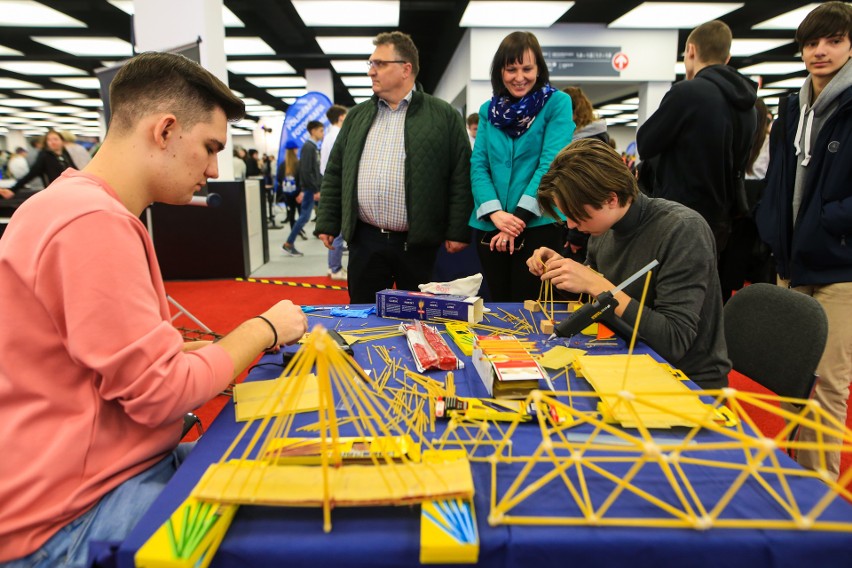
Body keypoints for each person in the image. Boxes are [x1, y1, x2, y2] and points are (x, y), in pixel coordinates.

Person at [0, 51, 308, 567]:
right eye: (209, 148)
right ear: (165, 131)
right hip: (74, 515)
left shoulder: (68, 207)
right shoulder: (91, 224)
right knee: (293, 529)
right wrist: (263, 329)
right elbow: (161, 395)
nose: (213, 170)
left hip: (88, 477)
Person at [527, 139, 730, 390]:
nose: (570, 225)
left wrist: (598, 285)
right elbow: (594, 298)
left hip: (683, 379)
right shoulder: (605, 229)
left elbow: (674, 341)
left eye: (576, 214)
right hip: (625, 355)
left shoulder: (683, 230)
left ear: (611, 199)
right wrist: (562, 271)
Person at [754, 1, 852, 481]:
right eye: (812, 43)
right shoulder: (793, 105)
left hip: (840, 266)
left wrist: (824, 223)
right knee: (794, 382)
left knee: (829, 385)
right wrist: (772, 227)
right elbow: (779, 179)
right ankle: (795, 481)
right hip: (791, 260)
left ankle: (821, 499)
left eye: (833, 40)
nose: (820, 51)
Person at [315, 31, 473, 303]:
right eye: (370, 64)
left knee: (421, 317)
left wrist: (458, 230)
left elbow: (461, 176)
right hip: (366, 240)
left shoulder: (443, 115)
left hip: (419, 244)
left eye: (379, 64)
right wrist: (328, 221)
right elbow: (336, 172)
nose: (371, 72)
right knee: (364, 317)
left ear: (405, 68)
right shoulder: (357, 116)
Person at [469, 31, 574, 302]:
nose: (519, 77)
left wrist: (515, 222)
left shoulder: (557, 104)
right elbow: (479, 166)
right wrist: (496, 215)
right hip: (491, 228)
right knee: (497, 305)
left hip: (538, 225)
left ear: (539, 69)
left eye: (527, 68)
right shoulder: (488, 110)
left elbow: (551, 165)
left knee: (530, 307)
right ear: (500, 72)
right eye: (511, 69)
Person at [636, 19, 757, 253]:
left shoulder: (688, 92)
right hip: (722, 219)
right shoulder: (749, 104)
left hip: (679, 215)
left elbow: (646, 143)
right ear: (727, 58)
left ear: (691, 50)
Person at [282, 121, 324, 257]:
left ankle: (291, 242)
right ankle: (289, 243)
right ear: (313, 131)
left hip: (311, 188)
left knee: (306, 216)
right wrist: (314, 189)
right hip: (310, 189)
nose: (322, 134)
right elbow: (306, 171)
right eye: (320, 131)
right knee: (304, 217)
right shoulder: (308, 147)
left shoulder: (312, 147)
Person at [1, 130, 77, 198]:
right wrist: (13, 189)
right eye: (49, 140)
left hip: (69, 190)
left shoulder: (65, 154)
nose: (52, 142)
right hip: (54, 193)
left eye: (55, 139)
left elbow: (74, 170)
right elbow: (32, 173)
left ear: (62, 141)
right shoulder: (44, 156)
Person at [320, 105, 348, 281]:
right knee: (339, 229)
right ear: (340, 118)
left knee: (335, 228)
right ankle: (336, 268)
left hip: (330, 182)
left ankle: (333, 267)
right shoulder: (338, 135)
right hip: (339, 183)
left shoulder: (328, 136)